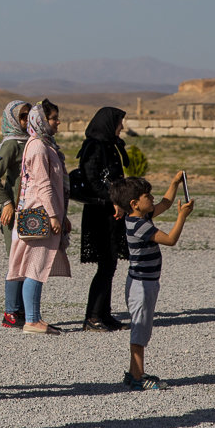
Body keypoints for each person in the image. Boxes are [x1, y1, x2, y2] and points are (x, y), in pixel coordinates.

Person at [110, 174, 195, 391]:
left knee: (142, 329)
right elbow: (170, 239)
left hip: (145, 282)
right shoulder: (139, 225)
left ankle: (133, 373)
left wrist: (174, 183)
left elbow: (165, 203)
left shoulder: (140, 216)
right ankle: (138, 377)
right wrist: (182, 216)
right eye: (148, 196)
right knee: (140, 331)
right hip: (141, 285)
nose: (153, 198)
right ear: (134, 204)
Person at [6, 99, 72, 335]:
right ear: (42, 120)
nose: (58, 122)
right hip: (39, 213)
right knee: (35, 266)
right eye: (54, 118)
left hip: (44, 212)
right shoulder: (38, 147)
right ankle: (32, 320)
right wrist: (54, 215)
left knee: (38, 265)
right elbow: (43, 185)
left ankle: (33, 318)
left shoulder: (44, 144)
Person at [78, 107, 130, 332]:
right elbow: (92, 180)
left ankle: (104, 314)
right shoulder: (94, 146)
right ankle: (93, 317)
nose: (122, 127)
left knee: (110, 264)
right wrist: (114, 200)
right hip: (100, 212)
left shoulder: (109, 145)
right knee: (105, 265)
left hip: (111, 212)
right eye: (120, 122)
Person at [0, 100, 31, 328]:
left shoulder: (32, 142)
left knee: (27, 262)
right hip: (13, 213)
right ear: (13, 119)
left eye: (28, 115)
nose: (26, 120)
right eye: (22, 116)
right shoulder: (12, 144)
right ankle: (10, 313)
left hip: (29, 211)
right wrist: (6, 203)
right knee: (16, 261)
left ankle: (22, 310)